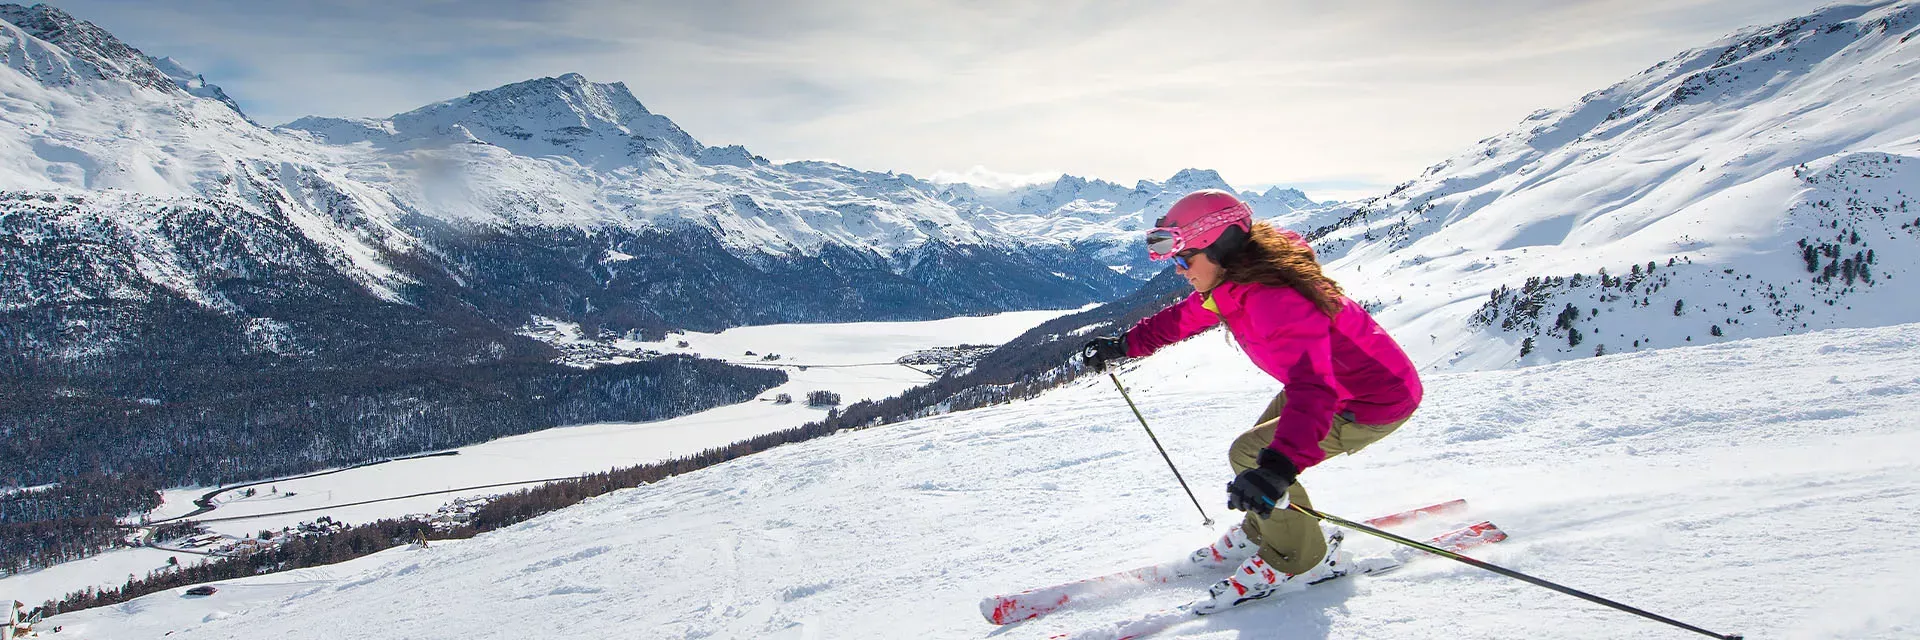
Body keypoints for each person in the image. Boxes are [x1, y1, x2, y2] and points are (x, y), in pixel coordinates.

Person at [1079, 189, 1422, 613]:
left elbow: (1314, 389)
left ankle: (1301, 559)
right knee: (1259, 455)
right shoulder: (1236, 282)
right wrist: (1126, 344)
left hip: (1371, 400)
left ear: (1220, 245)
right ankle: (1266, 529)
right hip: (1334, 385)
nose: (1179, 269)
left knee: (1255, 456)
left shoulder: (1277, 299)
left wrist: (1278, 469)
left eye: (1185, 259)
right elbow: (1184, 318)